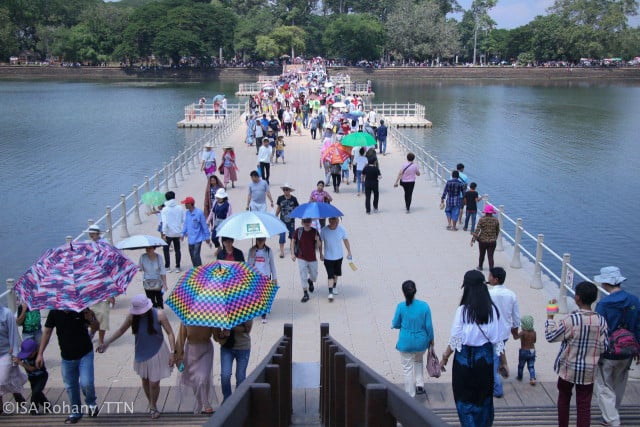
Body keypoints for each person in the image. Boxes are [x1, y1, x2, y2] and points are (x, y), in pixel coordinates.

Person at [439, 270, 506, 427]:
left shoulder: (463, 311)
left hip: (464, 362)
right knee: (483, 399)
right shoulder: (493, 311)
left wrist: (445, 357)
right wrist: (503, 362)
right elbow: (498, 341)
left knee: (464, 399)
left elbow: (455, 339)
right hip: (485, 361)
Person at [98, 294, 176, 420]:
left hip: (158, 351)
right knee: (145, 380)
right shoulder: (132, 317)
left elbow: (170, 333)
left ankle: (153, 406)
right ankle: (151, 402)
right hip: (141, 351)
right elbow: (121, 330)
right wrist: (107, 342)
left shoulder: (159, 314)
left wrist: (173, 352)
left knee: (154, 382)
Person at [545, 281, 608, 427]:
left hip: (568, 368)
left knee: (564, 399)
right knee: (584, 405)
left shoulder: (571, 320)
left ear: (577, 298)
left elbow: (550, 337)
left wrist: (550, 317)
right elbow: (604, 347)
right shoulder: (601, 321)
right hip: (589, 371)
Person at [593, 266, 640, 427]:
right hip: (628, 350)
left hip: (609, 352)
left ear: (605, 283)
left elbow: (598, 330)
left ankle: (612, 419)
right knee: (620, 382)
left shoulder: (603, 304)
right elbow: (638, 327)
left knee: (604, 385)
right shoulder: (634, 300)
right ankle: (612, 412)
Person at [37, 307, 100, 424]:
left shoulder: (81, 309)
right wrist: (40, 353)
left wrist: (91, 318)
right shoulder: (54, 312)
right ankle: (76, 412)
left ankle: (91, 403)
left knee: (87, 383)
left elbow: (96, 327)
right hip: (66, 356)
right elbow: (47, 331)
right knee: (70, 386)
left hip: (85, 354)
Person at [391, 280, 434, 398]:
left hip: (406, 342)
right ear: (415, 291)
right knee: (418, 360)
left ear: (403, 293)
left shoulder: (400, 306)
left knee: (407, 367)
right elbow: (429, 326)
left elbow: (395, 323)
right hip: (421, 342)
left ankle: (410, 394)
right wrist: (431, 339)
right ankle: (420, 384)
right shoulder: (424, 306)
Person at [487, 267, 521, 398]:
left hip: (491, 333)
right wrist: (515, 330)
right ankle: (504, 366)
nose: (488, 278)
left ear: (495, 279)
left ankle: (497, 389)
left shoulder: (489, 294)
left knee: (493, 360)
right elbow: (516, 317)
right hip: (504, 333)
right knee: (498, 351)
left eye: (490, 276)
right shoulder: (511, 295)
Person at [175, 324, 219, 415]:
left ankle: (206, 403)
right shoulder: (186, 318)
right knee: (194, 379)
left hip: (206, 350)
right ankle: (199, 402)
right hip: (191, 350)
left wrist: (223, 335)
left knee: (203, 378)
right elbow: (181, 339)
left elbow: (217, 336)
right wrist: (178, 357)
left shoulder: (211, 316)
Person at [216, 320, 253, 403]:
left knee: (240, 377)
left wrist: (231, 327)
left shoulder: (246, 309)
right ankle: (227, 399)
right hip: (227, 347)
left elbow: (247, 329)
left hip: (243, 348)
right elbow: (218, 328)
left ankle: (238, 400)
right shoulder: (224, 310)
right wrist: (222, 334)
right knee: (225, 375)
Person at [0, 305, 27, 414]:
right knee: (8, 377)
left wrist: (16, 354)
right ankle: (4, 402)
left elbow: (14, 335)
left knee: (2, 379)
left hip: (7, 352)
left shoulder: (7, 313)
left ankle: (16, 393)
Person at [320, 217, 352, 302]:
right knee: (330, 275)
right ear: (329, 220)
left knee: (336, 274)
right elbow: (320, 242)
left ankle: (334, 286)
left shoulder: (342, 229)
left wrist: (349, 251)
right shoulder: (324, 230)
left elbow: (345, 240)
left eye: (336, 220)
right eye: (333, 219)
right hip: (328, 258)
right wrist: (320, 253)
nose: (335, 221)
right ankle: (330, 293)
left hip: (338, 257)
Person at [291, 218, 323, 303]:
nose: (307, 223)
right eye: (305, 221)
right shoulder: (298, 231)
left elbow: (319, 245)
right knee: (303, 275)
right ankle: (305, 293)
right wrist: (292, 253)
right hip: (301, 257)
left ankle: (310, 281)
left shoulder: (315, 231)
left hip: (312, 257)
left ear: (311, 222)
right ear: (302, 222)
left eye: (308, 221)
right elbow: (293, 241)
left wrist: (318, 242)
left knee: (314, 275)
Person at [13, 338, 48, 414]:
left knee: (35, 393)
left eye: (29, 354)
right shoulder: (24, 356)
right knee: (38, 393)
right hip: (32, 378)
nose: (27, 356)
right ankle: (47, 405)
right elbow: (17, 357)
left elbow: (32, 369)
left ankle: (33, 409)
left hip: (41, 377)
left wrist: (21, 363)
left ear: (35, 351)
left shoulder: (39, 358)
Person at [248, 237, 277, 322]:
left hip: (266, 276)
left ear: (265, 240)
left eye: (262, 240)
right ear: (256, 240)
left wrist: (274, 277)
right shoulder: (251, 250)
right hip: (255, 277)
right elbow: (249, 265)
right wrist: (252, 256)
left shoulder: (268, 251)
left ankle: (263, 315)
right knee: (257, 296)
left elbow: (272, 264)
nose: (260, 242)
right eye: (259, 240)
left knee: (264, 296)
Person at [181, 196, 212, 268]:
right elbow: (186, 224)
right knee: (192, 256)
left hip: (198, 238)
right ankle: (195, 269)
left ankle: (200, 270)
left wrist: (207, 237)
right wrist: (182, 234)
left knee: (196, 255)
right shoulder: (187, 213)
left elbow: (204, 226)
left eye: (186, 203)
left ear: (190, 204)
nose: (184, 205)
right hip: (190, 239)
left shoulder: (199, 213)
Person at [471, 204, 500, 271]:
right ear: (492, 212)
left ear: (485, 212)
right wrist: (495, 238)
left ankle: (480, 266)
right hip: (492, 241)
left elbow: (477, 230)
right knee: (490, 256)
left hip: (482, 241)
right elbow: (497, 230)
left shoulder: (482, 219)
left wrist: (473, 239)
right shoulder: (496, 220)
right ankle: (491, 269)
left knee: (482, 254)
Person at [161, 191, 183, 273]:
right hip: (177, 232)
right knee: (177, 249)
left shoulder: (165, 210)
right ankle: (178, 266)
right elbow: (182, 220)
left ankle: (167, 266)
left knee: (166, 249)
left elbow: (164, 222)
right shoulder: (180, 208)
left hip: (168, 233)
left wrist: (163, 233)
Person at [275, 184, 299, 258]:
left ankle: (292, 250)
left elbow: (297, 208)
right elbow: (279, 208)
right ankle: (282, 252)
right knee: (282, 236)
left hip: (291, 221)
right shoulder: (280, 198)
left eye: (287, 189)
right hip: (282, 221)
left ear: (290, 190)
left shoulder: (294, 199)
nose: (285, 191)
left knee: (292, 236)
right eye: (284, 189)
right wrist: (275, 216)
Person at [513, 315, 537, 385]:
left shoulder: (523, 332)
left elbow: (515, 337)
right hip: (532, 350)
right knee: (531, 366)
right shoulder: (534, 332)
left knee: (521, 365)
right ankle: (532, 378)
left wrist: (513, 332)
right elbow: (534, 341)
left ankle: (520, 376)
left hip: (524, 350)